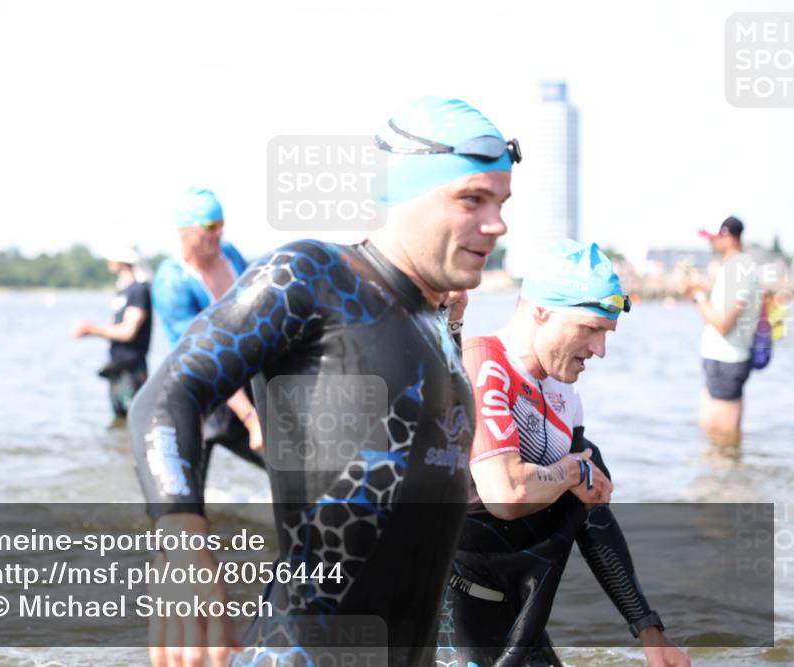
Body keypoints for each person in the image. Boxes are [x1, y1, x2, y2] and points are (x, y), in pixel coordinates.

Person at [128, 96, 519, 667]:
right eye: (471, 199)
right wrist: (183, 544)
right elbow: (168, 395)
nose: (498, 223)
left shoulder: (436, 326)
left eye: (501, 202)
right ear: (403, 193)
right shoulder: (312, 276)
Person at [437, 240, 690, 667]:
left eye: (605, 334)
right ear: (541, 311)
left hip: (517, 615)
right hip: (447, 614)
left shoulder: (563, 395)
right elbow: (507, 494)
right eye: (591, 328)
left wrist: (649, 631)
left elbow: (592, 515)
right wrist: (573, 469)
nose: (600, 349)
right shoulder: (483, 364)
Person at [150, 186, 266, 463]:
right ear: (184, 230)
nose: (218, 233)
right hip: (200, 386)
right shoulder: (172, 282)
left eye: (222, 224)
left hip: (242, 373)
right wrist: (250, 417)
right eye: (210, 226)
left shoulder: (231, 255)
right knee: (190, 482)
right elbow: (205, 354)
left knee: (281, 464)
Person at [681, 216, 760, 447]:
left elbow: (724, 324)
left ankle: (730, 481)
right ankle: (722, 480)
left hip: (729, 360)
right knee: (711, 436)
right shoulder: (732, 267)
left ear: (727, 236)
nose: (710, 243)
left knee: (725, 440)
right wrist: (695, 290)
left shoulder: (740, 269)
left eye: (713, 238)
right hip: (719, 359)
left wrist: (696, 295)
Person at [73, 246, 152, 424]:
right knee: (119, 421)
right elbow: (114, 327)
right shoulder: (122, 291)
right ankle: (117, 451)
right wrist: (94, 330)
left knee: (136, 420)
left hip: (132, 368)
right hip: (116, 365)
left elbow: (128, 332)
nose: (108, 261)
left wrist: (93, 330)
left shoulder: (139, 290)